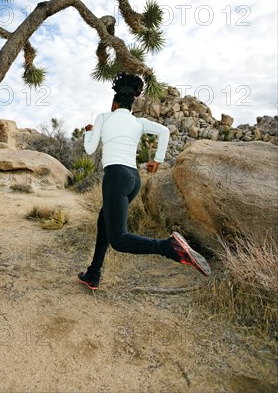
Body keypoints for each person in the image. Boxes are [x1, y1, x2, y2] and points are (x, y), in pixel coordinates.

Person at [78, 72, 211, 290]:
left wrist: (88, 133)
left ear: (114, 103)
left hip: (116, 177)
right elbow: (165, 131)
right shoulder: (138, 122)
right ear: (131, 105)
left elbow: (90, 148)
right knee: (104, 222)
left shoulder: (103, 117)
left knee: (119, 239)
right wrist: (157, 160)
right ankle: (93, 274)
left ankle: (169, 247)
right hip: (133, 179)